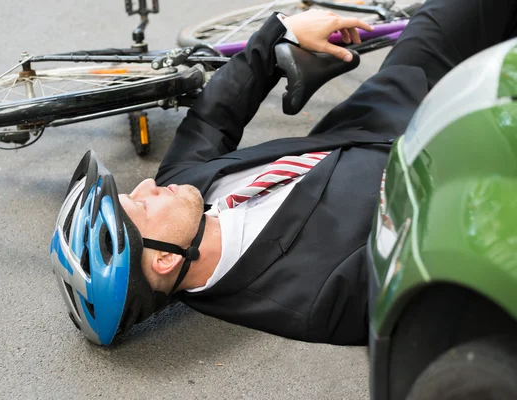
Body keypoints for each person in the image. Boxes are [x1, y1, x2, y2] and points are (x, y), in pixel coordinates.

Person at [50, 0, 517, 346]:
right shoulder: (316, 300)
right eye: (141, 204)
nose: (149, 183)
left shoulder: (189, 188)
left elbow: (214, 117)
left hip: (399, 95)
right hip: (471, 156)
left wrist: (281, 34)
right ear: (165, 260)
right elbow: (448, 264)